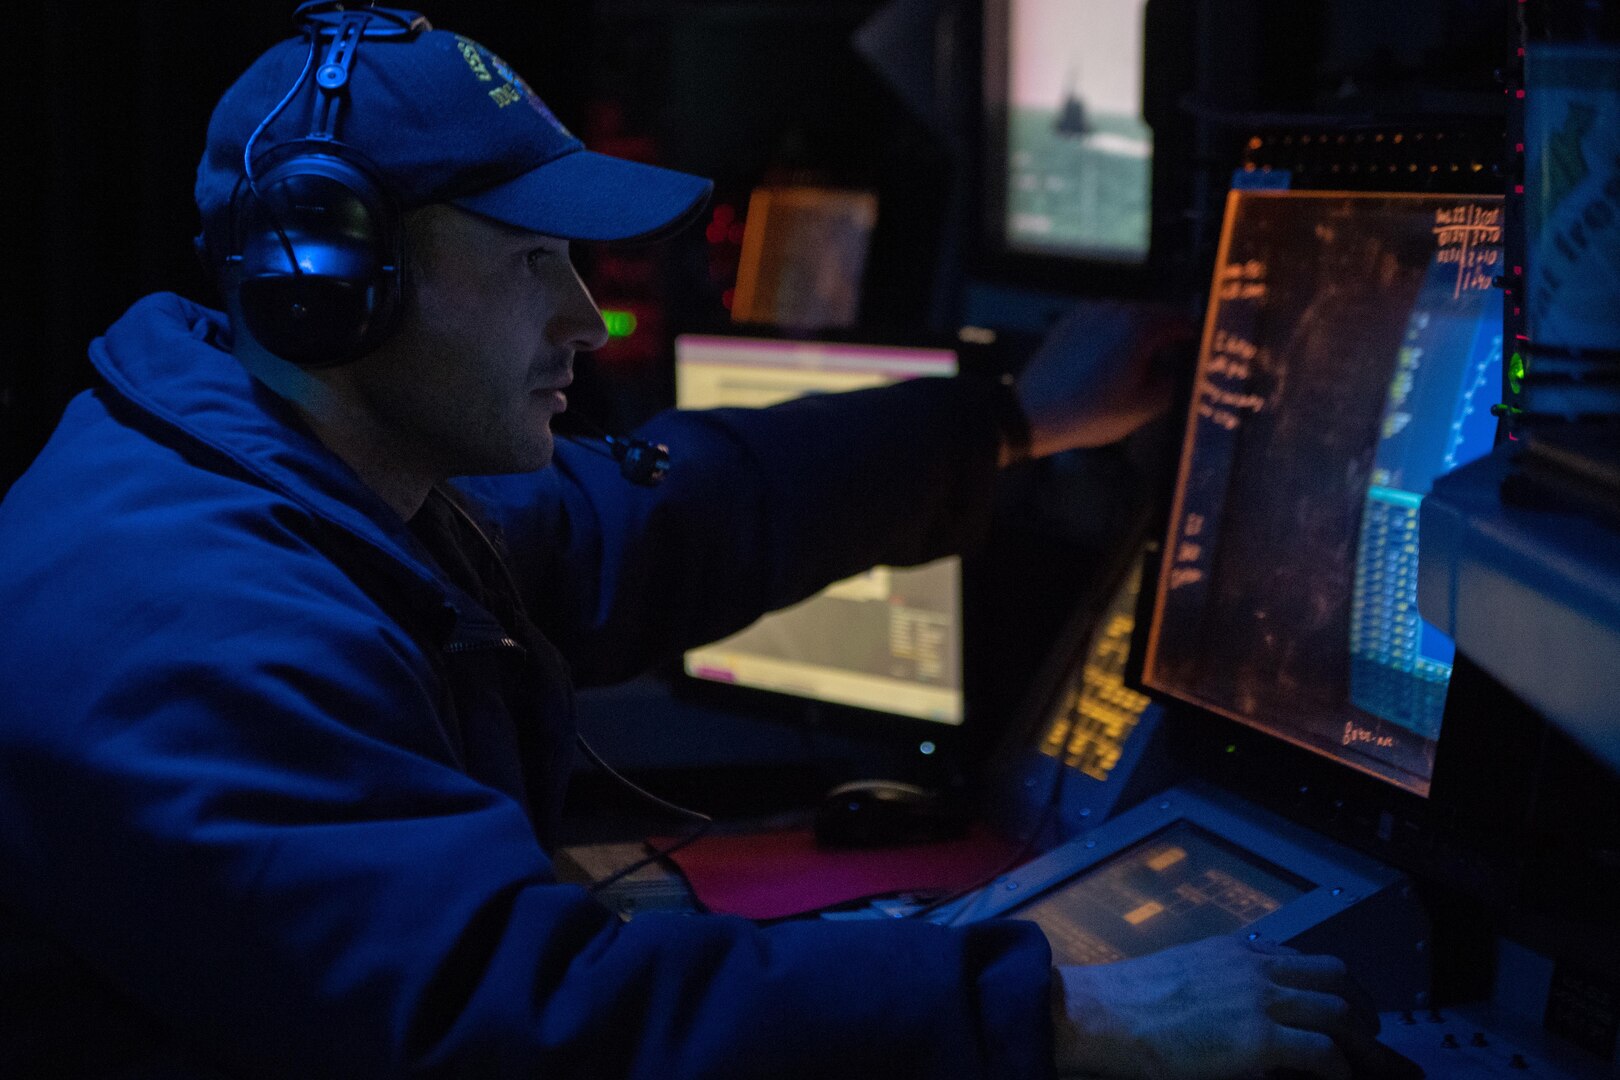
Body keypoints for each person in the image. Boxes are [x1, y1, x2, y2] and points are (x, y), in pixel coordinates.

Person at [0, 6, 1400, 1078]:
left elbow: (663, 516)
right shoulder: (196, 625)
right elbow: (531, 1023)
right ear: (334, 282)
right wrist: (1053, 1010)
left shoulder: (300, 474)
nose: (586, 321)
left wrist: (1016, 422)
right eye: (534, 260)